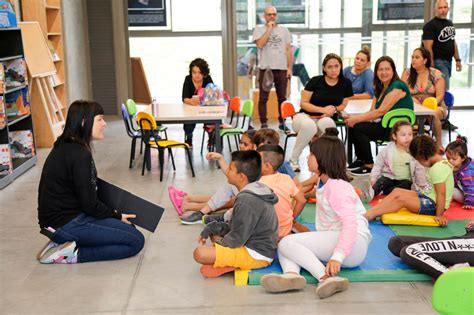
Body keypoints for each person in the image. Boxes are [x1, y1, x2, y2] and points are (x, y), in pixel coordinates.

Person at [260, 128, 371, 299]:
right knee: (285, 243)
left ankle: (325, 277)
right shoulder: (323, 180)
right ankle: (291, 275)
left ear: (322, 159)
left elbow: (351, 226)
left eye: (310, 154)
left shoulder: (338, 187)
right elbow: (301, 189)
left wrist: (337, 257)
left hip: (352, 245)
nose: (306, 157)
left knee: (287, 243)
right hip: (338, 240)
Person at [36, 100, 145, 264]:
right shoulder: (80, 154)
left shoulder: (65, 145)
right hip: (67, 223)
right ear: (83, 122)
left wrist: (114, 215)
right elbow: (89, 204)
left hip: (57, 221)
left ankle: (64, 243)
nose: (105, 123)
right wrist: (116, 215)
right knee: (136, 241)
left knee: (129, 229)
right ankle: (71, 254)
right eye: (99, 119)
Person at [193, 150, 279, 278]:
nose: (227, 171)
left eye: (231, 169)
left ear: (241, 177)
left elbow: (237, 237)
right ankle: (226, 261)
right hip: (247, 242)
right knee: (215, 232)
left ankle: (229, 262)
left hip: (257, 255)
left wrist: (218, 247)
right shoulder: (254, 190)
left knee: (199, 253)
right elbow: (236, 226)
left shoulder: (247, 200)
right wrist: (209, 228)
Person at [365, 135, 454, 227]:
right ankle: (372, 211)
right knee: (397, 191)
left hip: (433, 206)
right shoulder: (440, 162)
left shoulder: (438, 169)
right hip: (427, 197)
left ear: (422, 157)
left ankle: (370, 215)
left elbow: (441, 194)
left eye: (418, 160)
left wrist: (439, 215)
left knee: (402, 200)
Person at [346, 56, 414, 176]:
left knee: (358, 127)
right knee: (354, 125)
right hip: (384, 125)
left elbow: (381, 111)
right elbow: (372, 111)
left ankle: (369, 164)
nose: (384, 72)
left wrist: (356, 119)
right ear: (376, 72)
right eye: (380, 69)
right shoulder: (380, 88)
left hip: (396, 130)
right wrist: (354, 119)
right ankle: (361, 159)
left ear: (393, 70)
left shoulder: (397, 86)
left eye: (387, 69)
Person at [169, 129, 257, 216]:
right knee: (225, 195)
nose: (241, 146)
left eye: (245, 144)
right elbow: (230, 175)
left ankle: (187, 205)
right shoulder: (247, 159)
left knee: (228, 199)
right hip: (242, 195)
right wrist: (220, 158)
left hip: (245, 198)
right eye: (240, 142)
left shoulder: (254, 163)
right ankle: (188, 199)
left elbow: (230, 176)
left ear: (254, 146)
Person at [290, 53, 353, 172]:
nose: (334, 70)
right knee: (310, 126)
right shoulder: (315, 81)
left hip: (325, 117)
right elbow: (303, 103)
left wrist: (334, 109)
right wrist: (322, 109)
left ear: (340, 66)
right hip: (305, 116)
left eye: (336, 66)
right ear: (324, 68)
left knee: (328, 125)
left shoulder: (346, 83)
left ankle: (333, 162)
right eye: (330, 67)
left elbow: (343, 104)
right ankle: (293, 159)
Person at [364, 121, 428, 201]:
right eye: (403, 135)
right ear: (394, 136)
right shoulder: (387, 150)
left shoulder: (414, 152)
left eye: (410, 134)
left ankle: (387, 191)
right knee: (382, 181)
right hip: (389, 178)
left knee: (407, 184)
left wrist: (422, 185)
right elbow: (378, 165)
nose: (407, 137)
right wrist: (373, 179)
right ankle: (371, 193)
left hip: (404, 181)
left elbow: (419, 168)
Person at [252, 5, 292, 130]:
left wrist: (289, 68)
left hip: (281, 68)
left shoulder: (284, 30)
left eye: (274, 14)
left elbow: (288, 49)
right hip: (266, 68)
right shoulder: (259, 29)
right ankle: (264, 123)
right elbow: (259, 44)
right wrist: (268, 30)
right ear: (264, 16)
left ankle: (282, 122)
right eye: (269, 14)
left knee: (282, 98)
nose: (272, 17)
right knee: (263, 98)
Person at [388, 222, 474, 279]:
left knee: (410, 251)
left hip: (470, 243)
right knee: (397, 242)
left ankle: (449, 277)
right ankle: (451, 265)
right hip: (466, 239)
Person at [402, 47, 446, 151]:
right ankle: (410, 145)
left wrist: (430, 104)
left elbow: (440, 95)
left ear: (425, 60)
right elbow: (402, 92)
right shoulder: (407, 73)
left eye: (417, 57)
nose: (413, 60)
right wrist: (411, 99)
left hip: (435, 105)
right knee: (406, 113)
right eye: (412, 57)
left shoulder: (436, 74)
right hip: (413, 107)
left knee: (434, 113)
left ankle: (438, 143)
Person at [257, 144, 306, 239]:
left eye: (257, 161)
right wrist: (292, 218)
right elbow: (302, 200)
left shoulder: (259, 183)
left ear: (267, 166)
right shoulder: (287, 178)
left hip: (266, 234)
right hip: (286, 230)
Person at [422, 0, 462, 90]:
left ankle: (443, 104)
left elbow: (453, 42)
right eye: (440, 8)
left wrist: (458, 60)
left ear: (448, 9)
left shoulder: (449, 24)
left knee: (443, 88)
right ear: (435, 10)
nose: (443, 10)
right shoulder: (430, 26)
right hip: (438, 61)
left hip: (448, 61)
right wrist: (431, 64)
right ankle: (444, 104)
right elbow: (427, 47)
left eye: (445, 7)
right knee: (443, 89)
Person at [182, 58, 214, 147]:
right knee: (188, 124)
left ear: (204, 73)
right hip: (191, 109)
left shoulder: (208, 79)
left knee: (211, 121)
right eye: (194, 72)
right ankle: (189, 138)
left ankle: (211, 138)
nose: (196, 75)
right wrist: (191, 101)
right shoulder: (188, 79)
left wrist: (201, 100)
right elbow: (185, 98)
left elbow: (213, 95)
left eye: (199, 72)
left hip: (205, 109)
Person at [446, 136, 474, 209]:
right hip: (464, 190)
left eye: (454, 159)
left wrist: (469, 203)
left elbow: (470, 187)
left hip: (472, 195)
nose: (450, 161)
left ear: (463, 158)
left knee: (450, 190)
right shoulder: (455, 165)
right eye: (448, 158)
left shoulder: (467, 172)